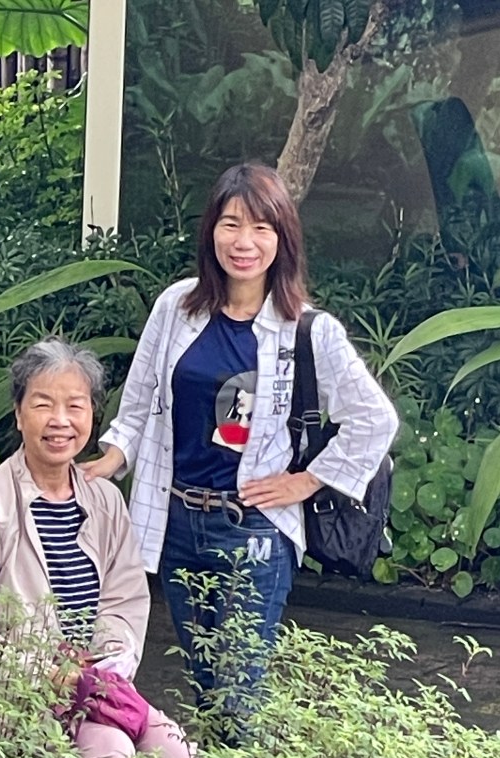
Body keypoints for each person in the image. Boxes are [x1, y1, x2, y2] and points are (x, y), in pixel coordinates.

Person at [85, 162, 398, 706]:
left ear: (282, 238)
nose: (244, 242)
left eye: (261, 227)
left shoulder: (307, 330)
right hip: (177, 522)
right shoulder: (177, 307)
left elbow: (376, 419)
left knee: (238, 693)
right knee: (205, 684)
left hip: (253, 530)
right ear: (211, 230)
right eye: (230, 224)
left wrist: (306, 481)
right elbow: (139, 403)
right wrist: (109, 460)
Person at [0, 336, 200, 758]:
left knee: (178, 754)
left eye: (75, 406)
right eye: (43, 404)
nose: (60, 420)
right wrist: (49, 677)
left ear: (92, 417)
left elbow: (125, 603)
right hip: (9, 694)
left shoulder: (104, 500)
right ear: (18, 414)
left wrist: (107, 666)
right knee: (110, 747)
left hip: (95, 686)